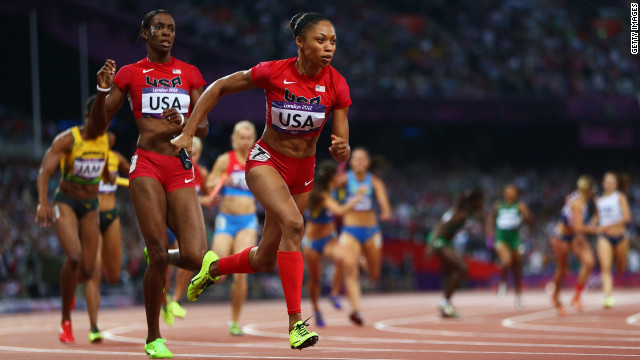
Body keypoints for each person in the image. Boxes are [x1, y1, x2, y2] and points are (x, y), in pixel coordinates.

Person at [171, 12, 351, 350]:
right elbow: (220, 86)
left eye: (333, 42)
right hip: (266, 162)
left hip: (304, 171)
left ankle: (214, 268)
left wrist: (342, 149)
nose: (329, 47)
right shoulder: (274, 71)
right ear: (300, 42)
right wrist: (188, 131)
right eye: (321, 40)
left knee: (266, 258)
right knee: (295, 226)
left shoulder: (337, 84)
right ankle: (296, 324)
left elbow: (341, 150)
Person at [90, 9, 208, 358]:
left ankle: (159, 255)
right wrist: (101, 90)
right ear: (145, 33)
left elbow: (203, 128)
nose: (166, 33)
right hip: (147, 165)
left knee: (195, 256)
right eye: (159, 27)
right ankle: (153, 336)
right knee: (157, 255)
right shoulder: (130, 73)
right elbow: (99, 126)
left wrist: (184, 122)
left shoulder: (190, 73)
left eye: (171, 29)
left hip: (179, 164)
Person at [36, 95, 111, 344]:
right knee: (75, 257)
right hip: (66, 202)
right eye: (99, 118)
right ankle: (66, 320)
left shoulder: (106, 140)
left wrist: (108, 174)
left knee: (89, 270)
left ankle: (68, 288)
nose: (104, 123)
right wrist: (43, 202)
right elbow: (45, 171)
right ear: (88, 117)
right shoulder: (68, 139)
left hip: (90, 205)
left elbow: (102, 166)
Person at [197, 120, 259, 336]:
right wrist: (223, 181)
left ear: (254, 140)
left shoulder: (257, 161)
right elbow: (210, 184)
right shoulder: (225, 160)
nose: (244, 141)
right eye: (241, 137)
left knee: (242, 273)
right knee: (218, 270)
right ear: (234, 139)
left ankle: (235, 321)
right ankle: (203, 278)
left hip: (247, 221)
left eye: (248, 138)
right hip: (226, 220)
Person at [303, 160, 364, 327]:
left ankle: (334, 293)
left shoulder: (335, 188)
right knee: (315, 279)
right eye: (338, 175)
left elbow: (345, 184)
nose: (342, 177)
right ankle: (316, 310)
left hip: (329, 238)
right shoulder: (322, 195)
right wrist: (358, 198)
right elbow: (339, 211)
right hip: (312, 242)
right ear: (332, 178)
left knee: (342, 259)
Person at [85, 129, 131, 342]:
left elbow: (135, 176)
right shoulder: (84, 157)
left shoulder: (116, 158)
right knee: (94, 272)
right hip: (90, 215)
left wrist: (123, 176)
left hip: (111, 215)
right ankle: (94, 326)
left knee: (112, 275)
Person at [338, 147, 391, 325]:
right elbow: (328, 191)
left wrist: (385, 211)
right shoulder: (345, 179)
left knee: (374, 274)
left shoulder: (374, 181)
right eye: (356, 159)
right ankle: (357, 311)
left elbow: (384, 202)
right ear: (351, 163)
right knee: (350, 270)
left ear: (367, 163)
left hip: (370, 230)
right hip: (350, 230)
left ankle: (363, 261)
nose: (359, 162)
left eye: (363, 159)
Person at [160, 137, 207, 326]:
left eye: (194, 154)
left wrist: (209, 199)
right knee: (164, 267)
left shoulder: (201, 173)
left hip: (185, 223)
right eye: (187, 153)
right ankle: (164, 302)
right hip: (167, 221)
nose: (190, 157)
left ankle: (176, 300)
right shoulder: (171, 168)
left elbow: (202, 195)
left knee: (190, 257)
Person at [426, 189, 484, 318]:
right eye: (481, 201)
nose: (483, 204)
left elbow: (480, 214)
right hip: (439, 240)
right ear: (474, 202)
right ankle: (444, 302)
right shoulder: (461, 214)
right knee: (462, 268)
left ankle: (446, 304)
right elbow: (441, 226)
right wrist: (431, 246)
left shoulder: (464, 211)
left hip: (445, 241)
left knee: (452, 272)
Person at [550, 175, 599, 315]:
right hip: (561, 236)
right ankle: (555, 296)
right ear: (588, 190)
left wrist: (595, 217)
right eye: (593, 190)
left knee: (589, 262)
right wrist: (597, 229)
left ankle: (577, 296)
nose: (593, 193)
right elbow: (578, 227)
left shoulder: (584, 199)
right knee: (563, 269)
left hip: (574, 235)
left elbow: (580, 224)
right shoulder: (577, 203)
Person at [486, 184, 533, 309]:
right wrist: (489, 235)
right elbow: (490, 220)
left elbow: (530, 221)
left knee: (517, 269)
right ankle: (503, 283)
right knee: (506, 261)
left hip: (515, 240)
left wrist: (526, 215)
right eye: (508, 191)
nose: (510, 194)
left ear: (516, 194)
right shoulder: (498, 205)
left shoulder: (519, 206)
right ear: (504, 193)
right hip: (501, 238)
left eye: (512, 192)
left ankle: (518, 296)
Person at [595, 172, 631, 308]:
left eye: (612, 182)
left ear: (616, 184)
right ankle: (608, 297)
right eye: (607, 181)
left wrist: (612, 225)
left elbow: (627, 217)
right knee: (605, 268)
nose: (609, 184)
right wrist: (594, 225)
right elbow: (597, 218)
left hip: (620, 236)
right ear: (603, 183)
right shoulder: (599, 200)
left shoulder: (620, 197)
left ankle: (620, 266)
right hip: (605, 237)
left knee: (621, 268)